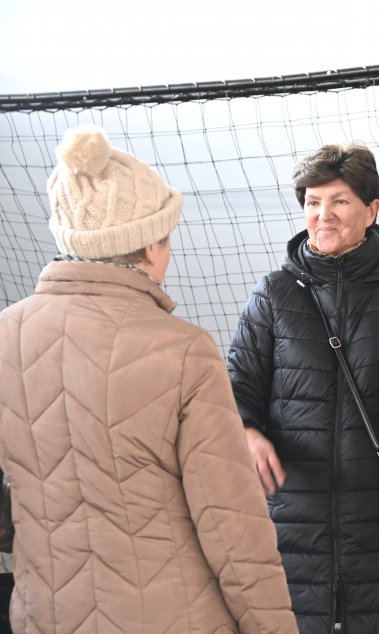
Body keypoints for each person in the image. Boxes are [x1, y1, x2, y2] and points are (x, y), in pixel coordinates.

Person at [0, 124, 297, 633]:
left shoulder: (7, 335)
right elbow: (231, 528)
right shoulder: (183, 350)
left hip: (44, 615)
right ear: (152, 245)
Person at [227, 143, 379, 633]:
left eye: (339, 201)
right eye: (312, 202)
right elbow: (235, 387)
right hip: (295, 534)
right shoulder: (274, 295)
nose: (322, 215)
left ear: (372, 209)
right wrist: (244, 429)